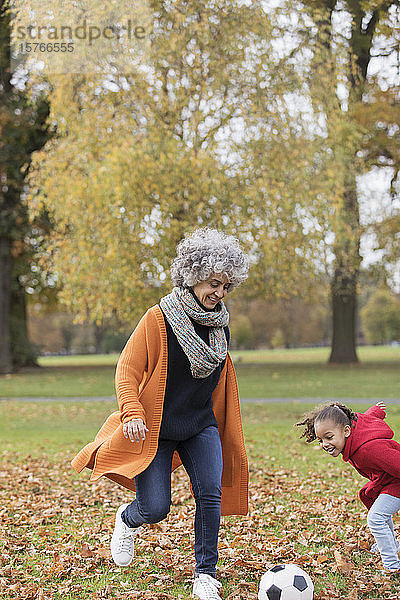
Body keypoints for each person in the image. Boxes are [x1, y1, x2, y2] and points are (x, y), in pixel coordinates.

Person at [71, 227, 250, 600]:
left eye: (226, 286)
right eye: (213, 283)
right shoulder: (158, 319)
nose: (219, 293)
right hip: (156, 429)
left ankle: (205, 574)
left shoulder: (219, 325)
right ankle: (128, 518)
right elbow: (127, 369)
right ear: (193, 275)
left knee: (209, 493)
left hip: (200, 425)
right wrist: (132, 410)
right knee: (155, 507)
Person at [296, 401, 400, 574]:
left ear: (346, 431)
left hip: (396, 481)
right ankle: (392, 545)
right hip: (387, 480)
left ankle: (392, 566)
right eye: (320, 440)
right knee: (379, 514)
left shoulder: (369, 449)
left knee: (376, 518)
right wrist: (375, 411)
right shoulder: (353, 431)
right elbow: (364, 419)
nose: (325, 444)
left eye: (329, 437)